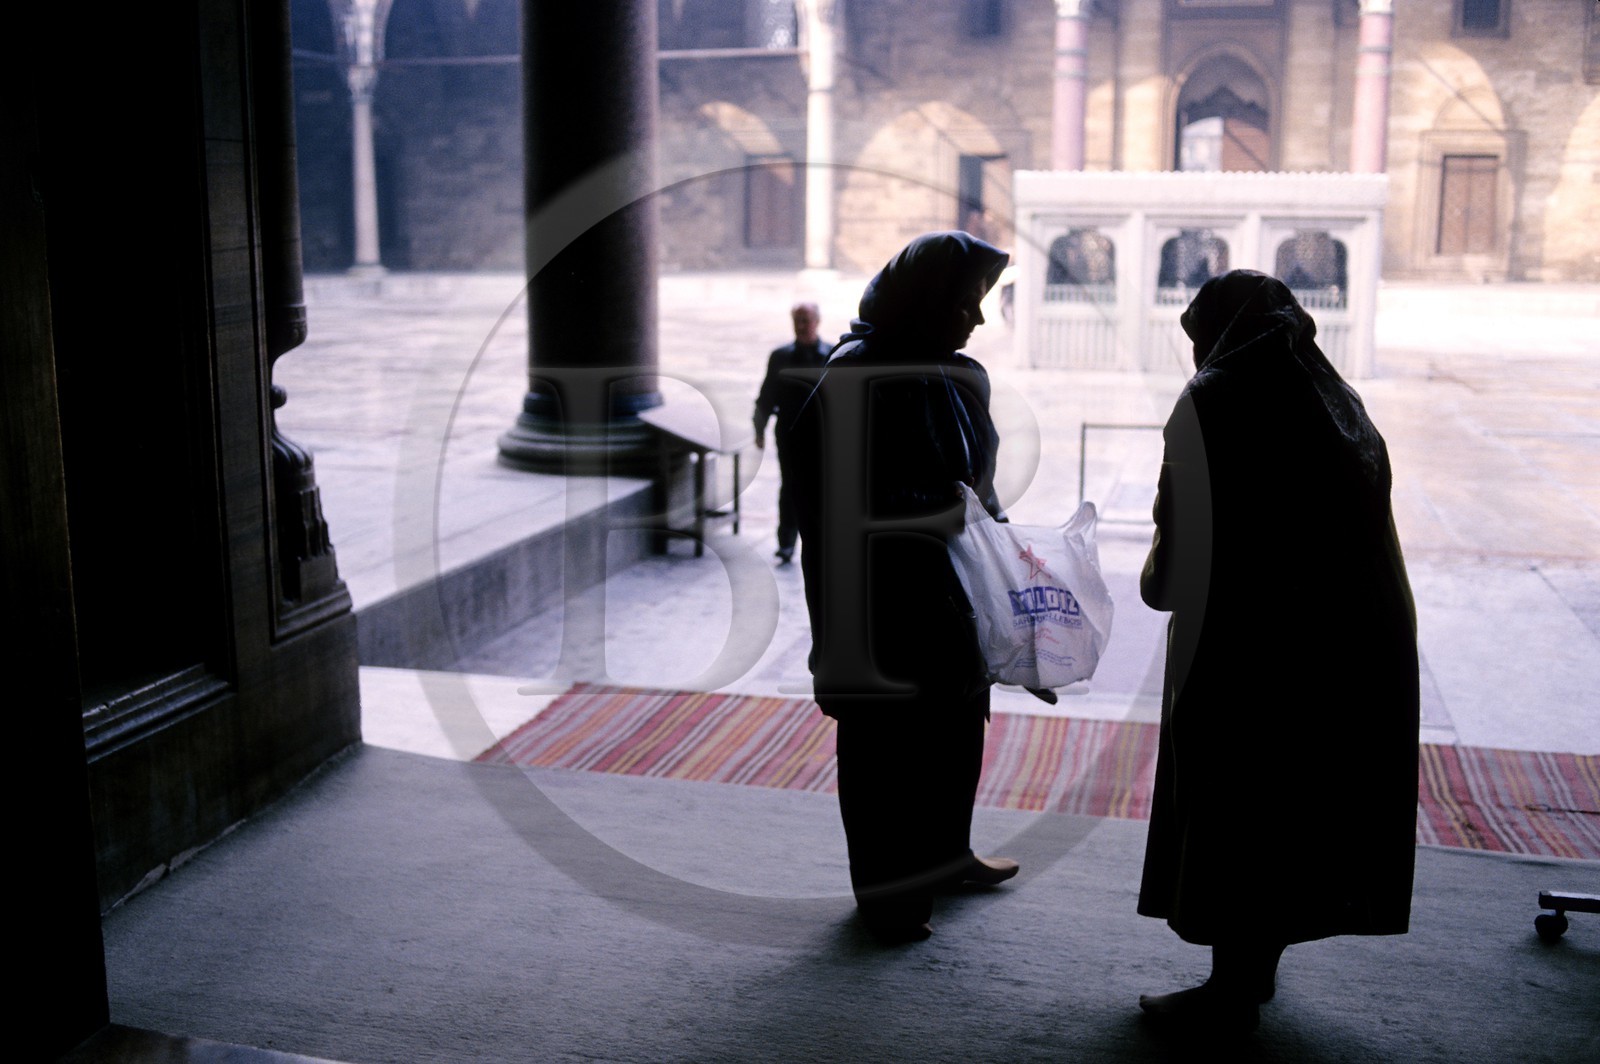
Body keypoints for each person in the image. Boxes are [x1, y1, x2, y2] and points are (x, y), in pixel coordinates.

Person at [1135, 270, 1420, 1032]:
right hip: (1347, 646)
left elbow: (1177, 564)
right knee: (1294, 804)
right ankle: (1254, 969)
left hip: (1245, 645)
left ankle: (1231, 991)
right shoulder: (1338, 402)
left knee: (1236, 803)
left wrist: (1152, 580)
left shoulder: (1211, 401)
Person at [787, 231, 1019, 944]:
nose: (977, 318)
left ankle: (947, 855)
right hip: (879, 598)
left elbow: (978, 481)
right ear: (922, 300)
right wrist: (937, 513)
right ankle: (885, 895)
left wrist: (1003, 548)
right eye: (963, 302)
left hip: (951, 588)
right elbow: (832, 502)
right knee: (884, 749)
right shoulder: (854, 376)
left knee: (957, 726)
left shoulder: (959, 374)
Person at [753, 302, 833, 564]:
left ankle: (821, 539)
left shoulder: (831, 355)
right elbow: (767, 394)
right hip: (789, 433)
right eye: (797, 320)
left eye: (805, 320)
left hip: (822, 435)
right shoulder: (780, 357)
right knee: (790, 486)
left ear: (817, 322)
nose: (801, 326)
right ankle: (786, 542)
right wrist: (759, 428)